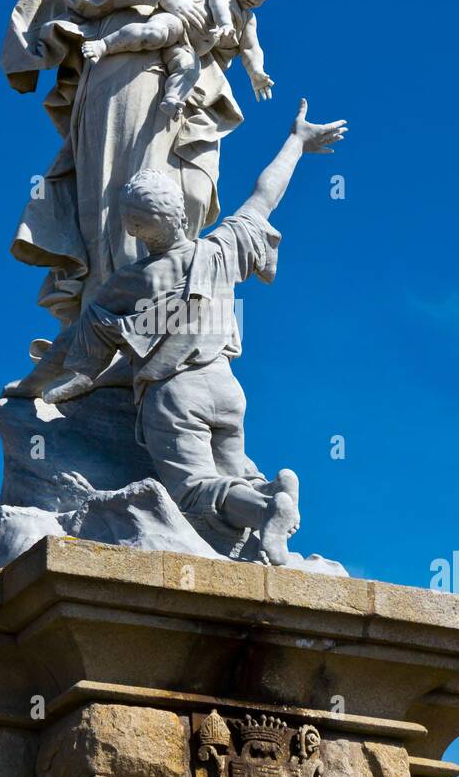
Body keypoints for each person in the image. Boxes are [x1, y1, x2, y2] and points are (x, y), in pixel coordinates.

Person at [39, 100, 346, 565]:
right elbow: (264, 196)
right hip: (226, 388)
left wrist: (57, 386)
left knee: (194, 489)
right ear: (180, 213)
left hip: (175, 396)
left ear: (136, 230)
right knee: (231, 476)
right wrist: (297, 141)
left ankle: (267, 508)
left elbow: (91, 342)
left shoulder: (131, 281)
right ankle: (267, 497)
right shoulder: (221, 250)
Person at [0, 0, 255, 327]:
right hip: (126, 66)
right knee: (123, 191)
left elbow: (228, 21)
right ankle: (110, 325)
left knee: (190, 195)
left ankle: (169, 318)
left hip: (192, 82)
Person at [79, 0, 287, 121]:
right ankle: (104, 45)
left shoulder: (248, 19)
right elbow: (218, 4)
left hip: (189, 47)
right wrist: (224, 23)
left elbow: (251, 48)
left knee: (189, 71)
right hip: (178, 24)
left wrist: (256, 72)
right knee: (152, 33)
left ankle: (171, 100)